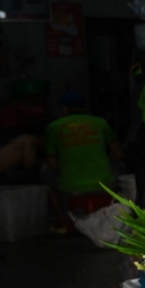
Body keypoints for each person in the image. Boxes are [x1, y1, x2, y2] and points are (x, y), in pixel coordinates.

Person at [45, 90, 122, 228]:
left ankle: (61, 220)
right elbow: (118, 155)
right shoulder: (101, 123)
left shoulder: (53, 127)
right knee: (120, 170)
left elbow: (52, 164)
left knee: (45, 173)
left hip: (71, 188)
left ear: (64, 108)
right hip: (105, 185)